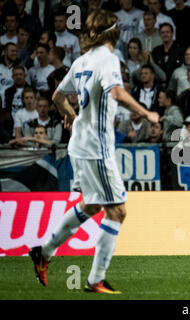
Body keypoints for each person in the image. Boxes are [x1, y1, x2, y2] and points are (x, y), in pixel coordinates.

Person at [29, 9, 159, 294]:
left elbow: (57, 97)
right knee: (118, 212)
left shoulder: (82, 60)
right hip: (97, 147)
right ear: (114, 32)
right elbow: (117, 93)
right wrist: (147, 113)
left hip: (80, 144)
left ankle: (44, 251)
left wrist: (73, 117)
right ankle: (95, 279)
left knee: (92, 204)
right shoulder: (108, 58)